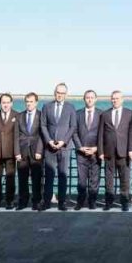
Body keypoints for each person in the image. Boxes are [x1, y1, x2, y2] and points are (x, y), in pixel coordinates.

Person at [41, 83, 76, 211]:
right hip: (49, 147)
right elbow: (43, 125)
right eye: (58, 92)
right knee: (49, 176)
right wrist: (49, 141)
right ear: (54, 93)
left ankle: (62, 202)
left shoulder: (71, 108)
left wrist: (63, 141)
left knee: (63, 175)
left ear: (66, 94)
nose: (60, 95)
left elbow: (73, 127)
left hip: (64, 147)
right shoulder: (46, 106)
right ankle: (47, 202)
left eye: (62, 93)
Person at [98, 91, 132, 211]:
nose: (115, 100)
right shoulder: (105, 114)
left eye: (117, 98)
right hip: (109, 153)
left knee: (125, 179)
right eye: (113, 99)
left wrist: (131, 150)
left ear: (122, 99)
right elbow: (100, 134)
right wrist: (101, 152)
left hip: (124, 153)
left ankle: (124, 202)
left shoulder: (129, 114)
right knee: (108, 179)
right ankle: (108, 202)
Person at [0, 94, 21, 210]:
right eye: (3, 102)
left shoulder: (17, 115)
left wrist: (17, 152)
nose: (5, 105)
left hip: (11, 152)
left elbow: (18, 135)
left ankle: (10, 201)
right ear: (0, 103)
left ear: (12, 103)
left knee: (10, 178)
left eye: (8, 102)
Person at [71, 90, 102, 210]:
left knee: (95, 180)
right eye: (87, 97)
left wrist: (96, 148)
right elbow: (74, 132)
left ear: (95, 99)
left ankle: (92, 201)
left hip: (95, 153)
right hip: (81, 153)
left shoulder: (101, 114)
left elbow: (103, 133)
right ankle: (80, 201)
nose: (89, 99)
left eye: (92, 97)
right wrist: (80, 147)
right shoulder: (77, 114)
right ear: (84, 99)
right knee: (81, 180)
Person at [15, 93, 44, 210]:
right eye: (27, 101)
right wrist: (16, 152)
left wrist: (39, 150)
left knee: (37, 179)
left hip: (36, 152)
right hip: (22, 152)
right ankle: (22, 201)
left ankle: (36, 201)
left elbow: (42, 135)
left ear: (36, 102)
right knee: (22, 179)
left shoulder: (41, 116)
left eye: (31, 101)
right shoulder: (19, 116)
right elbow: (16, 136)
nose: (29, 104)